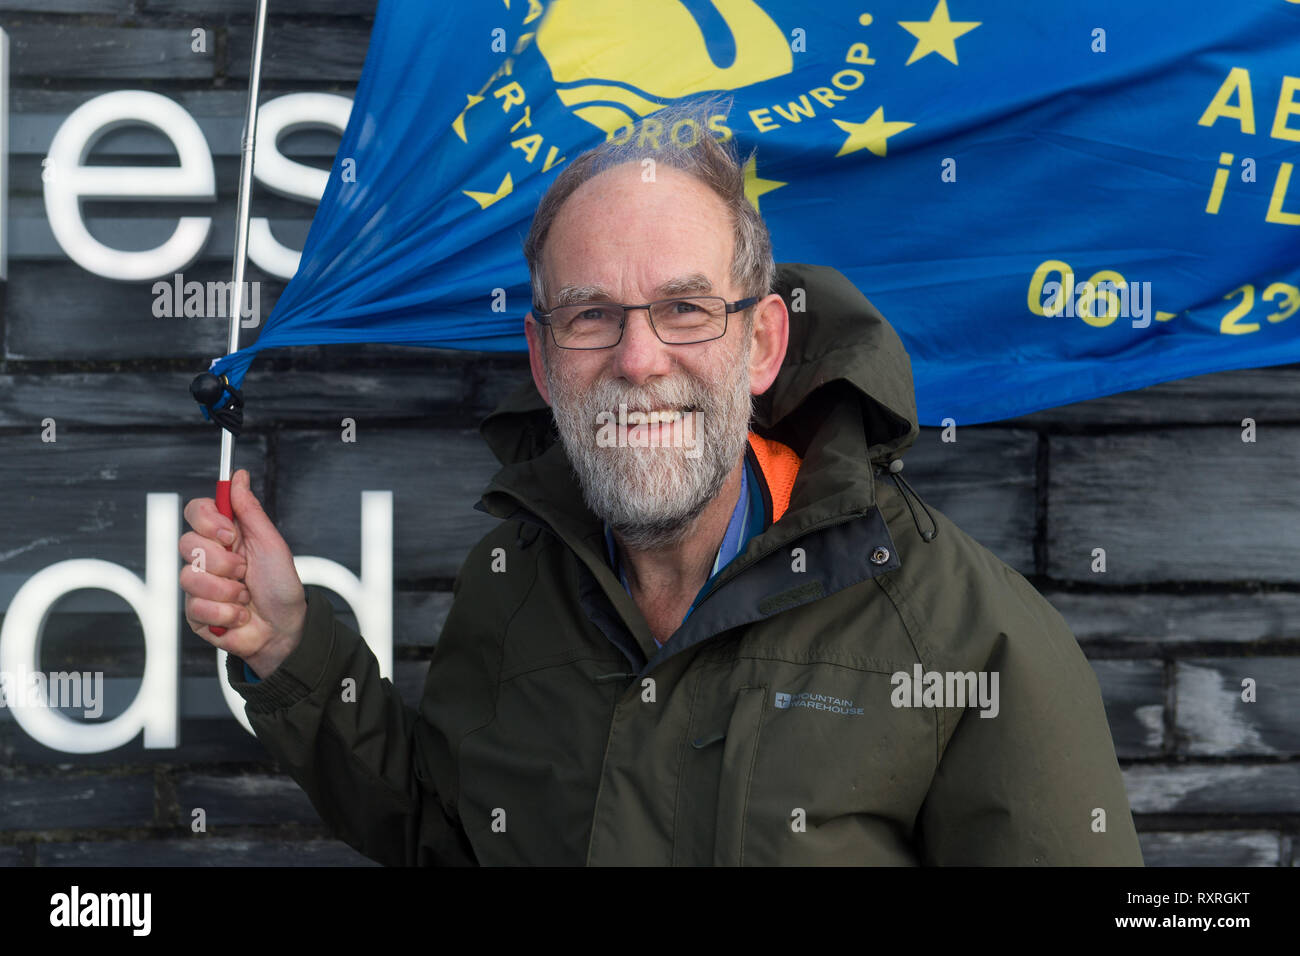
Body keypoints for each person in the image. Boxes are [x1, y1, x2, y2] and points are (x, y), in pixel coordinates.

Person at [178, 101, 1144, 866]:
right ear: (546, 358)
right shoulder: (511, 586)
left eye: (685, 308)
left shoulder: (967, 633)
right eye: (592, 315)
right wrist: (292, 646)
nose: (639, 360)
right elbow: (456, 839)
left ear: (761, 342)